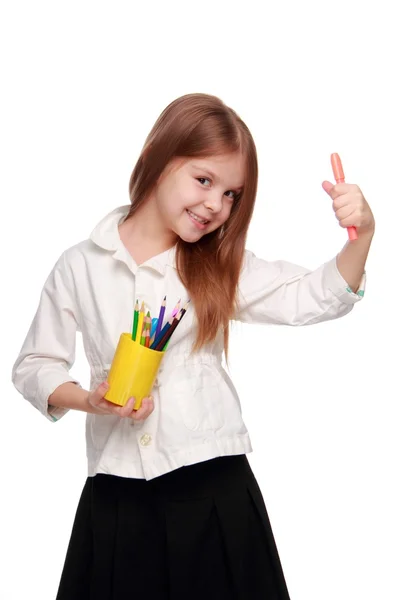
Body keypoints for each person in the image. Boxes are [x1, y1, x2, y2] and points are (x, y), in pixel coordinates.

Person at [11, 92, 375, 600]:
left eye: (232, 194)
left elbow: (312, 296)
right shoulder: (79, 264)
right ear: (157, 161)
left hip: (214, 490)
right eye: (204, 180)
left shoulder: (218, 267)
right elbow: (34, 366)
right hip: (117, 495)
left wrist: (361, 237)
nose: (215, 205)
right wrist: (90, 399)